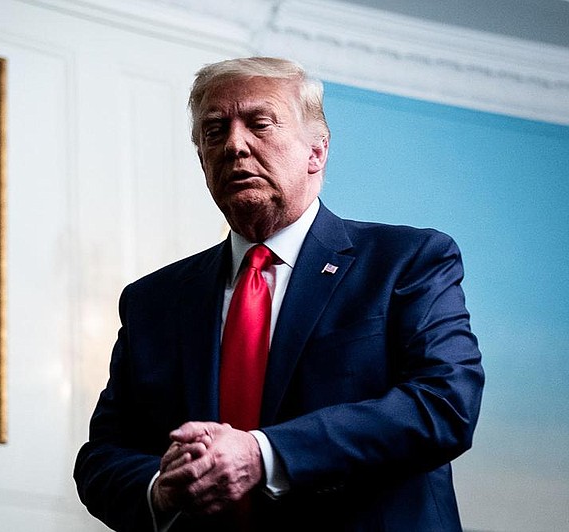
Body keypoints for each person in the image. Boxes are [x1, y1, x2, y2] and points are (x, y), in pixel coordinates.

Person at [74, 57, 484, 531]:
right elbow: (102, 457)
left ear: (317, 151)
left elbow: (445, 403)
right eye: (213, 130)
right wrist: (161, 489)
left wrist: (263, 454)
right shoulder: (154, 301)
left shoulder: (406, 260)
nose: (234, 144)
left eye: (259, 123)